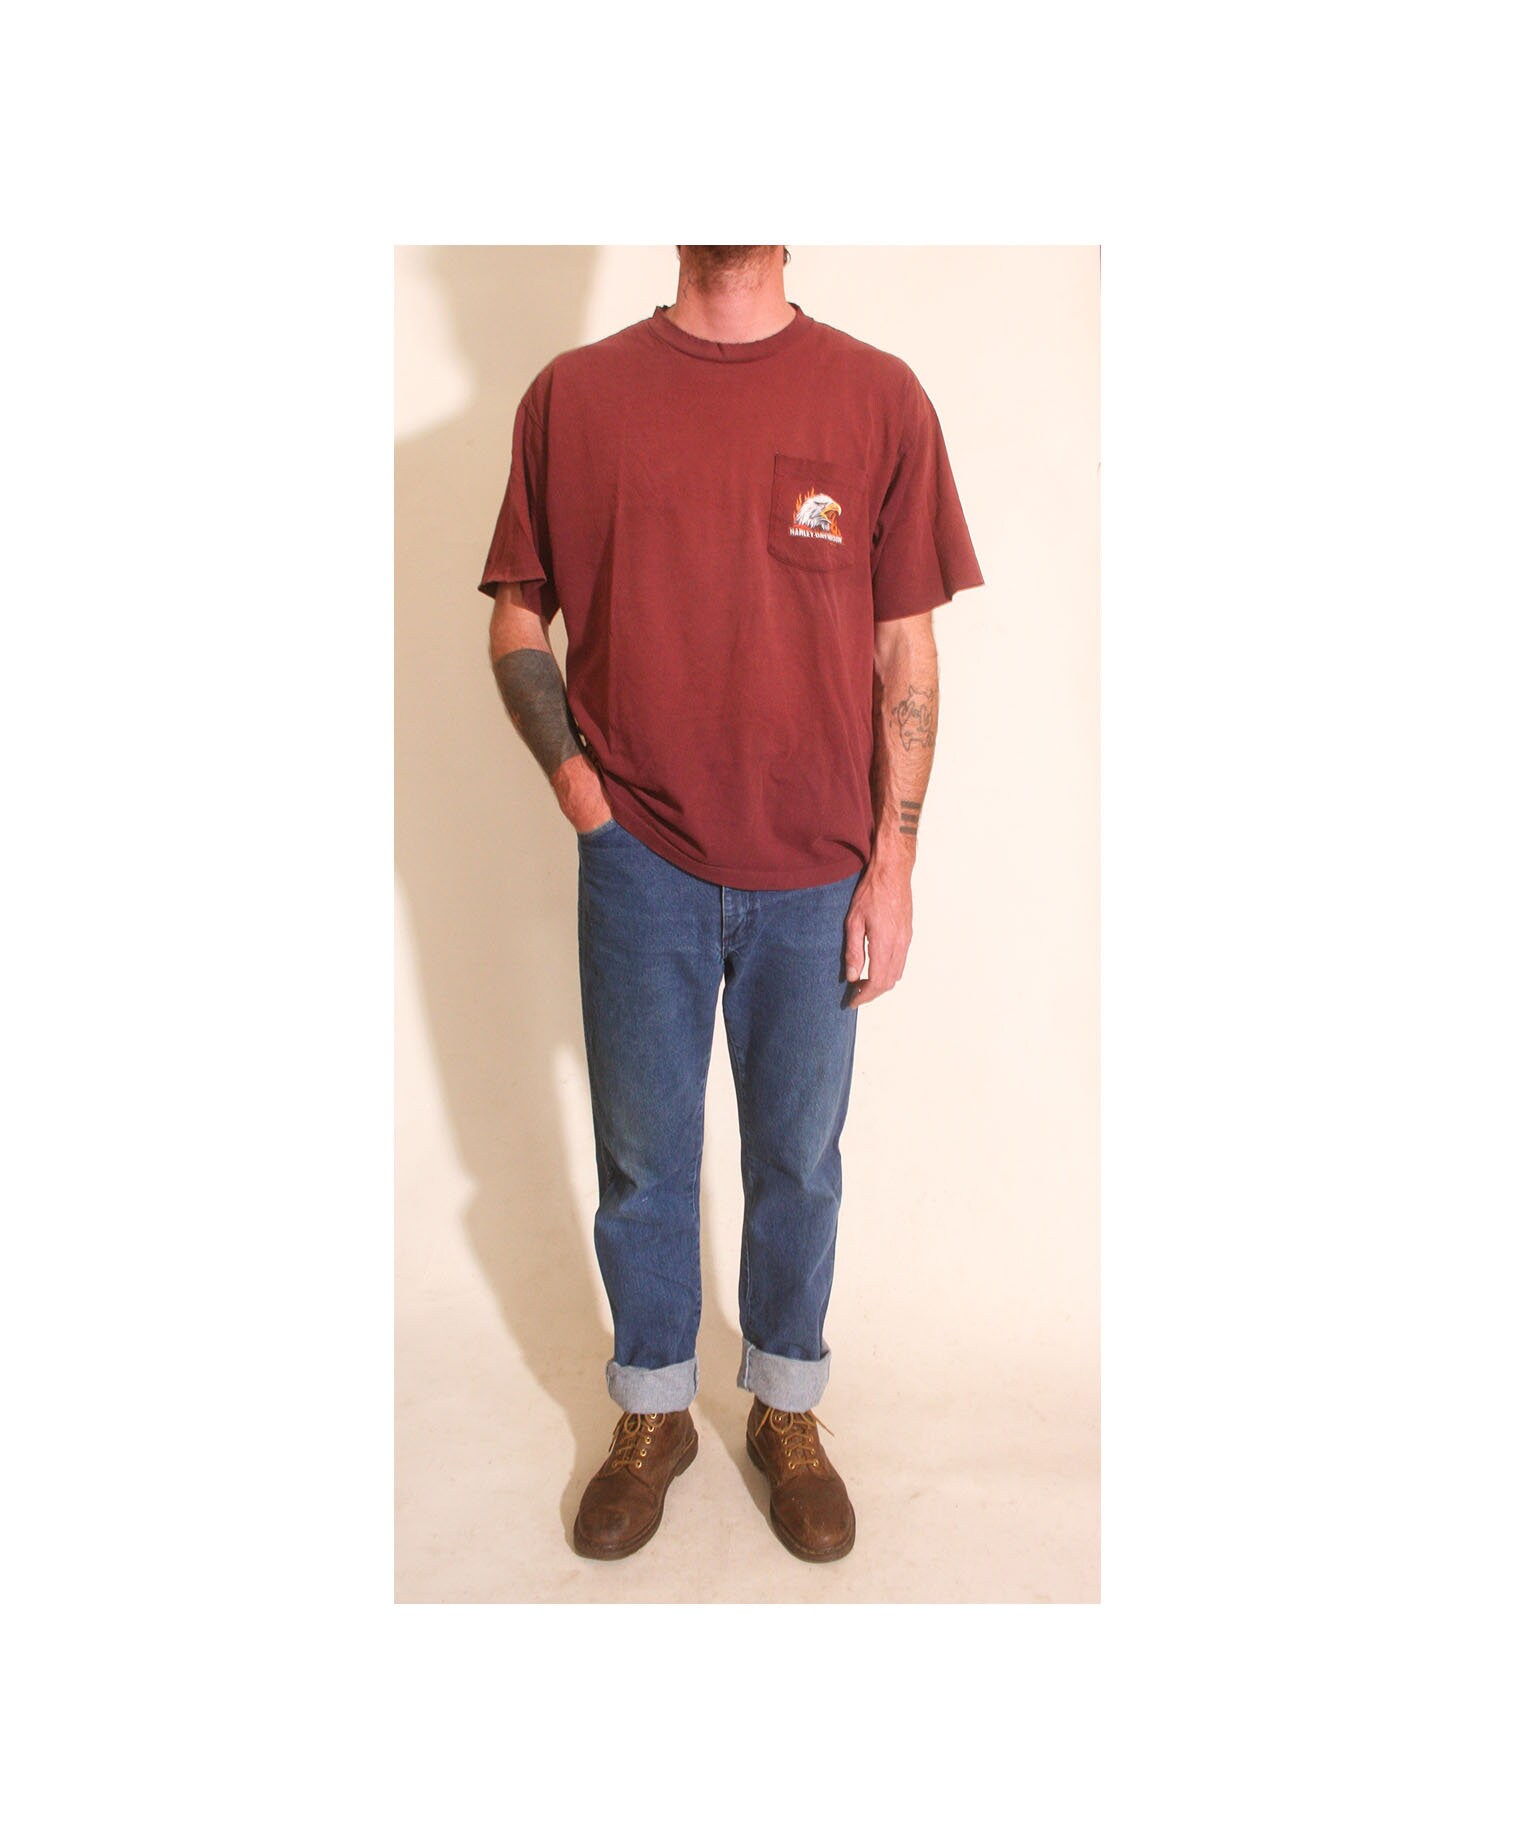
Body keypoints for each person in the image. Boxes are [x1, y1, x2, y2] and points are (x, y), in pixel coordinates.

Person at [478, 245, 983, 1563]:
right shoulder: (575, 397)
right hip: (638, 855)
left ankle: (785, 1406)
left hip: (818, 865)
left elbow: (904, 646)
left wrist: (895, 859)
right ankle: (653, 1409)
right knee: (642, 1161)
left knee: (798, 1161)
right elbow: (518, 614)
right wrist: (581, 794)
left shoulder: (876, 396)